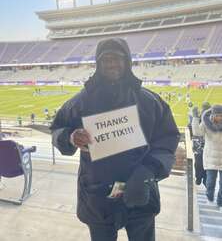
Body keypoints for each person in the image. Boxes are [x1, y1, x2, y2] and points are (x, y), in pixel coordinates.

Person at [51, 37, 180, 241]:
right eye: (106, 59)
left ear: (127, 61)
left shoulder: (149, 101)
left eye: (117, 58)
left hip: (140, 190)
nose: (112, 63)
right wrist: (70, 137)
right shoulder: (80, 101)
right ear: (98, 63)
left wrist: (148, 171)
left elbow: (168, 139)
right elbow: (57, 129)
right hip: (98, 196)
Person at [192, 104, 222, 207]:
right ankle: (209, 199)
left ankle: (220, 203)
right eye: (218, 115)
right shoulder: (206, 123)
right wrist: (195, 118)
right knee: (210, 182)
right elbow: (197, 132)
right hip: (210, 158)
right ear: (213, 115)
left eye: (221, 115)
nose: (220, 117)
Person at [191, 102, 211, 186]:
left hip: (204, 146)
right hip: (200, 146)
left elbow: (196, 131)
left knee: (202, 163)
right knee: (201, 163)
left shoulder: (207, 119)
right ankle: (201, 179)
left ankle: (201, 179)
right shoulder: (202, 118)